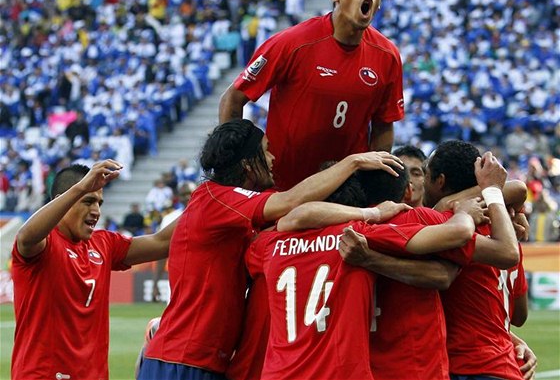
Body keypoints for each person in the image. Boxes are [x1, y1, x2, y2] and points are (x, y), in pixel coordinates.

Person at [137, 119, 403, 380]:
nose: (273, 158)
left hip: (207, 358)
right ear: (248, 164)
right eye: (266, 150)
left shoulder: (233, 213)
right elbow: (292, 203)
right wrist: (353, 162)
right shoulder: (218, 199)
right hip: (183, 358)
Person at [246, 172, 477, 380]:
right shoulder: (355, 235)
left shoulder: (271, 244)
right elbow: (466, 237)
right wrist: (464, 213)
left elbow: (292, 219)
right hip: (338, 373)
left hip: (277, 373)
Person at [219, 0, 404, 190]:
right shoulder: (292, 42)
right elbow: (232, 99)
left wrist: (371, 186)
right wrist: (235, 169)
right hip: (281, 189)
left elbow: (384, 125)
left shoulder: (388, 55)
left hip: (344, 195)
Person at [11, 160, 177, 380]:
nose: (96, 211)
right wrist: (81, 186)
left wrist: (211, 191)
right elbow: (25, 237)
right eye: (88, 201)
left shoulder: (103, 244)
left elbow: (161, 242)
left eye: (99, 202)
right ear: (63, 200)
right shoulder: (44, 244)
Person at [421, 141, 533, 380]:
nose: (421, 183)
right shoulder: (505, 229)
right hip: (504, 365)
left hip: (469, 367)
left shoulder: (447, 226)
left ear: (439, 181)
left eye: (425, 175)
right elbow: (519, 316)